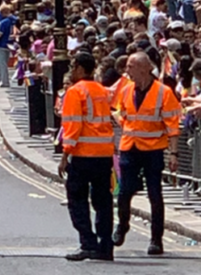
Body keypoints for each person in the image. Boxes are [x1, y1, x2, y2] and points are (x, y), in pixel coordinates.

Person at [113, 52, 181, 255]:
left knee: (155, 195)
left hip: (153, 150)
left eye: (130, 67)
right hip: (129, 146)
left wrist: (174, 153)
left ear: (144, 68)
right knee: (124, 192)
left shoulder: (164, 92)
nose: (127, 71)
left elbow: (173, 126)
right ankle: (122, 226)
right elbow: (120, 114)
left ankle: (156, 240)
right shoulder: (126, 90)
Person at [57, 52, 114, 262]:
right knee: (103, 201)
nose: (71, 71)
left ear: (81, 68)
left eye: (73, 66)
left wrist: (65, 155)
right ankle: (105, 247)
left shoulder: (75, 92)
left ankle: (88, 243)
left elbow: (72, 126)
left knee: (77, 200)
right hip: (104, 154)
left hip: (83, 155)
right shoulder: (103, 90)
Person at [0, 5, 16, 88]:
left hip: (2, 44)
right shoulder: (13, 21)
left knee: (2, 64)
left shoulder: (4, 22)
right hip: (10, 44)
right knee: (1, 63)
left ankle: (5, 82)